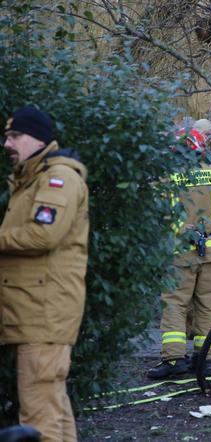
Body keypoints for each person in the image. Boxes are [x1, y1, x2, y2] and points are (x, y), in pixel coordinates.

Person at [1, 106, 89, 441]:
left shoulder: (58, 178)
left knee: (39, 418)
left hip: (43, 312)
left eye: (14, 136)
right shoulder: (34, 177)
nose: (7, 144)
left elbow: (43, 234)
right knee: (53, 408)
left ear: (38, 138)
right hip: (36, 311)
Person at [147, 128, 211, 379]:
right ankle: (205, 360)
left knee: (176, 304)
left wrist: (186, 231)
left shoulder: (169, 174)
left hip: (181, 252)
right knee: (207, 304)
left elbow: (161, 210)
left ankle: (174, 360)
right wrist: (207, 227)